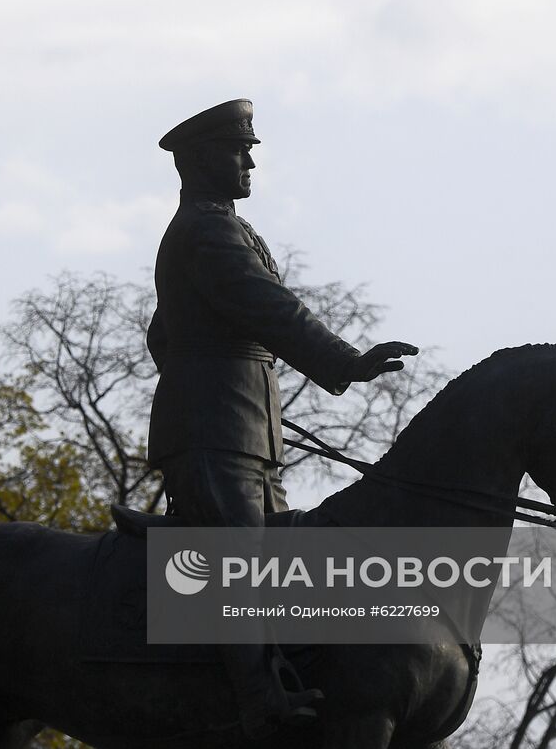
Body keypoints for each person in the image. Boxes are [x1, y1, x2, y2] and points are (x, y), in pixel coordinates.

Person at [147, 98, 418, 738]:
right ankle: (257, 700)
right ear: (198, 159)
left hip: (243, 435)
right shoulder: (207, 231)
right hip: (215, 436)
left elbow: (168, 333)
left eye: (250, 151)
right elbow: (269, 310)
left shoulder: (227, 230)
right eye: (237, 151)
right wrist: (345, 363)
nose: (249, 163)